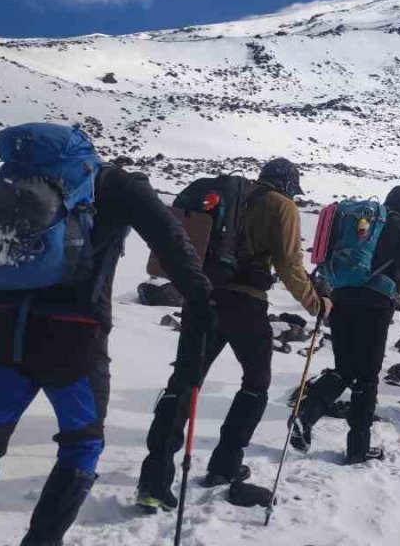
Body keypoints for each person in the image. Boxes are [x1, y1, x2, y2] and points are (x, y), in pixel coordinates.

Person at [0, 123, 217, 546]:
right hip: (74, 339)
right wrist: (203, 303)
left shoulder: (12, 178)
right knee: (82, 446)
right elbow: (172, 243)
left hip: (1, 331)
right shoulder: (116, 183)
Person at [136, 158, 330, 511]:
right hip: (245, 304)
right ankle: (225, 465)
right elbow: (289, 264)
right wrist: (316, 304)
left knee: (184, 382)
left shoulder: (226, 197)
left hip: (201, 298)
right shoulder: (282, 206)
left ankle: (153, 481)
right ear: (289, 184)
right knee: (256, 382)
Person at [288, 186, 400, 464]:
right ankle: (358, 448)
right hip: (375, 302)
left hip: (341, 295)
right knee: (367, 375)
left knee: (344, 368)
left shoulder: (365, 219)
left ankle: (307, 414)